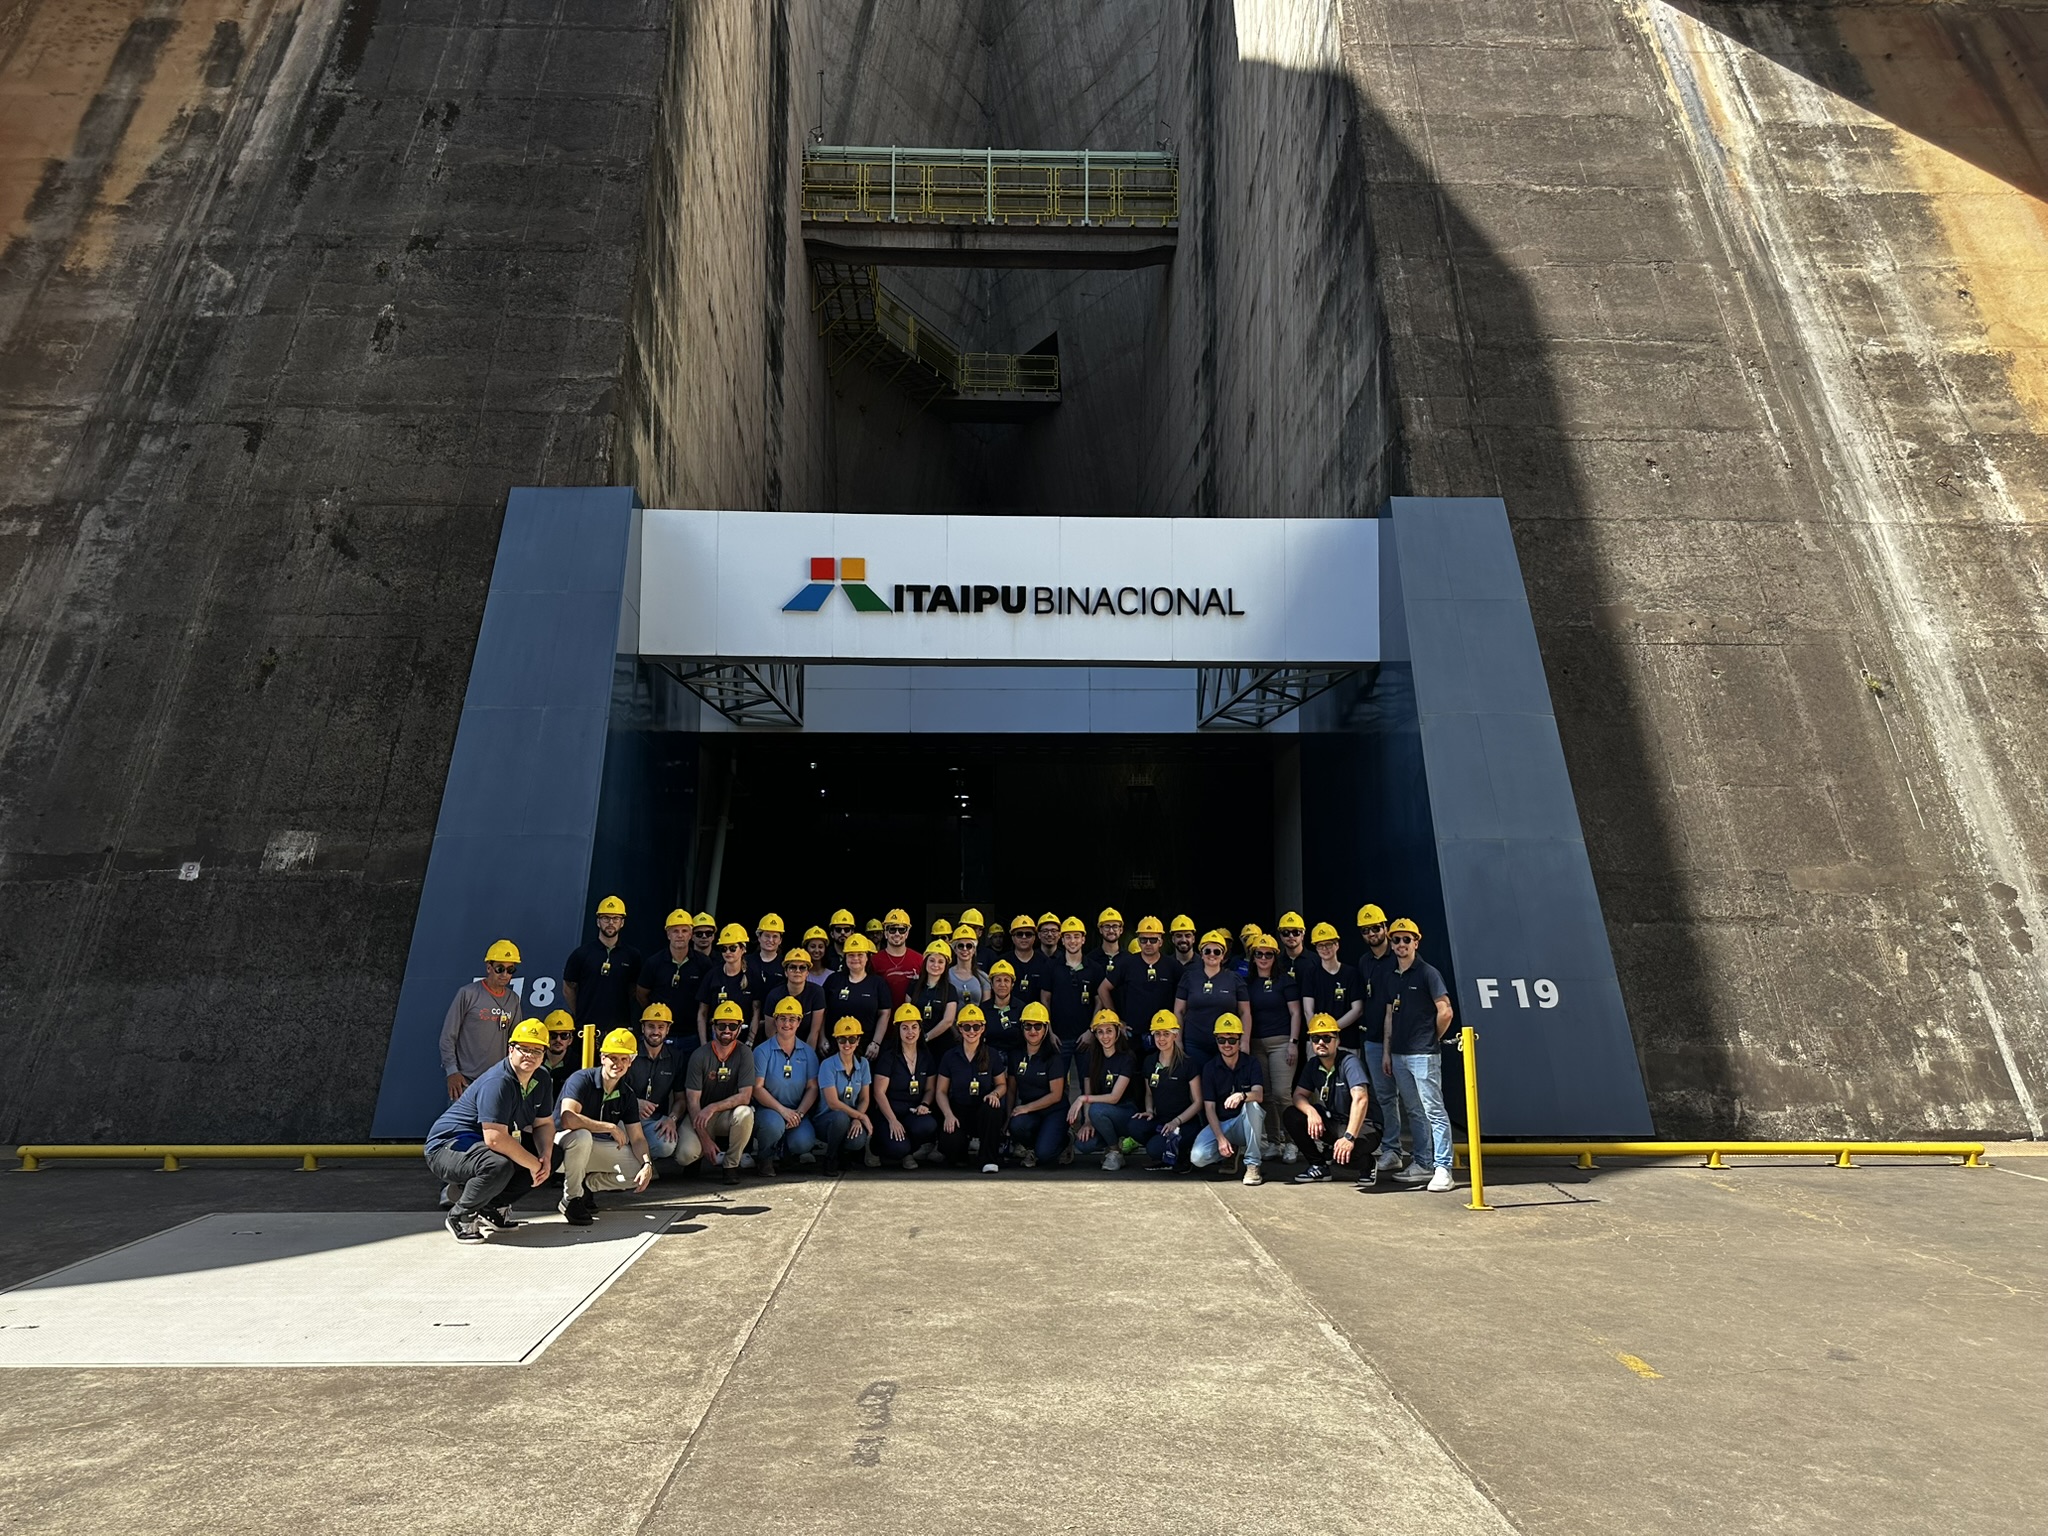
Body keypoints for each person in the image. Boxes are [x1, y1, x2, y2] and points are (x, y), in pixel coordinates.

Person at [425, 1018, 557, 1243]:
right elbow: (495, 1139)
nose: (530, 1055)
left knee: (556, 1153)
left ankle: (492, 1208)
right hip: (450, 1145)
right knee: (497, 1165)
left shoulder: (542, 1077)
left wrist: (545, 1156)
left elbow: (543, 1124)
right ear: (511, 1049)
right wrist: (534, 1164)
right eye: (524, 1049)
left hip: (486, 1143)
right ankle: (461, 1215)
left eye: (537, 1050)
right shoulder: (499, 1081)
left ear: (544, 1054)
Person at [1381, 917, 1456, 1192]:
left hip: (1423, 1055)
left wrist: (1431, 1037)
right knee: (1414, 1111)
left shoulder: (1428, 973)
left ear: (1416, 941)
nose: (1401, 944)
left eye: (1406, 939)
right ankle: (1423, 1164)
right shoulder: (1392, 976)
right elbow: (1390, 1015)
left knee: (1434, 1110)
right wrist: (1387, 1053)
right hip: (1399, 1055)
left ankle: (1443, 1168)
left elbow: (1445, 1011)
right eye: (1396, 939)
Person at [553, 1028, 654, 1224]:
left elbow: (638, 1138)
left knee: (637, 1169)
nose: (618, 1063)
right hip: (559, 1148)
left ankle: (587, 1186)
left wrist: (647, 1164)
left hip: (591, 1148)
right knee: (582, 1136)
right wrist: (609, 1127)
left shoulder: (627, 1094)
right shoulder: (581, 1079)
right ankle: (571, 1199)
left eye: (624, 1059)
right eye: (613, 1058)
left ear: (631, 1062)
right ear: (602, 1058)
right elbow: (568, 1119)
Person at [1286, 1013, 1380, 1185]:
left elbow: (1361, 1099)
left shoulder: (1350, 1062)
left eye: (1327, 1038)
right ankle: (1318, 1166)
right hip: (1336, 1121)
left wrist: (1349, 1138)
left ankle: (1367, 1164)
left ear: (1337, 1040)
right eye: (1316, 1038)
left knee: (1345, 1156)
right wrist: (1311, 1111)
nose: (1321, 1042)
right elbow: (1298, 1095)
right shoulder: (1313, 1064)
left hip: (1364, 1126)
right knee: (1292, 1115)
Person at [1353, 903, 1407, 1175]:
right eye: (1366, 930)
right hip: (1373, 1039)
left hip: (1404, 1039)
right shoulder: (1364, 962)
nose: (1372, 933)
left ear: (1385, 928)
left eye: (1376, 928)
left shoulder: (1398, 956)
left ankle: (1416, 1153)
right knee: (1384, 1096)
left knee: (1413, 1099)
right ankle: (1392, 1148)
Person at [680, 1000, 758, 1184]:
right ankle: (697, 1158)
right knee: (684, 1155)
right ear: (713, 1026)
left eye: (732, 1025)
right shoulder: (699, 1055)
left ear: (740, 1028)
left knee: (745, 1113)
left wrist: (714, 1107)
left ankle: (730, 1166)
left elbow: (745, 1096)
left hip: (725, 1115)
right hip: (699, 1115)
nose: (727, 1030)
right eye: (721, 1025)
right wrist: (705, 1140)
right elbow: (692, 1102)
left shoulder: (745, 1053)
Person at [439, 939, 526, 1101]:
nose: (505, 974)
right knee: (461, 1126)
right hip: (465, 1080)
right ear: (489, 968)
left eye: (510, 969)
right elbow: (448, 1036)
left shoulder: (513, 1000)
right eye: (500, 969)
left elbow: (516, 1041)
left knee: (492, 1127)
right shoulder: (468, 994)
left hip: (497, 1080)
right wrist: (452, 1072)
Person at [1245, 932, 1303, 1161]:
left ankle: (1292, 1142)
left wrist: (1293, 1043)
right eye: (1259, 953)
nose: (1263, 957)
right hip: (1256, 1044)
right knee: (1265, 1095)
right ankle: (1274, 1142)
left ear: (1275, 956)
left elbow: (1296, 1012)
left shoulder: (1285, 981)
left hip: (1281, 1043)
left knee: (1282, 1094)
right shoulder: (1247, 983)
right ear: (1253, 957)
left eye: (1268, 954)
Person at [1190, 1014, 1267, 1185]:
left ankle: (1253, 1165)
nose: (1226, 1044)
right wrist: (1220, 1139)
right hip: (1222, 1123)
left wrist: (1242, 1095)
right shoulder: (1210, 1068)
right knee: (1198, 1157)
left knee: (1252, 1105)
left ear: (1240, 1040)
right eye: (1221, 1040)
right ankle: (1230, 1153)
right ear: (1216, 1041)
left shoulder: (1251, 1063)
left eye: (1232, 1040)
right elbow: (1209, 1107)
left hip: (1243, 1123)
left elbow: (1259, 1094)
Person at [750, 996, 820, 1176]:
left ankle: (786, 1153)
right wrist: (782, 1111)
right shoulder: (762, 1051)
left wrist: (799, 1114)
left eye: (792, 1019)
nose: (787, 1023)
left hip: (796, 1110)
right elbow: (757, 1088)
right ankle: (765, 1158)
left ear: (799, 1022)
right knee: (773, 1126)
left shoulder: (808, 1052)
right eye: (782, 1018)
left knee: (804, 1142)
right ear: (775, 1020)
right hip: (770, 1110)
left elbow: (812, 1087)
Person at [935, 1003, 1007, 1174]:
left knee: (993, 1108)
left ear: (983, 1028)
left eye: (976, 1026)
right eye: (967, 1026)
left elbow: (1002, 1084)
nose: (972, 1031)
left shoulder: (992, 1054)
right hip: (958, 1111)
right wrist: (948, 1115)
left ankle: (988, 1159)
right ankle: (960, 1153)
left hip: (982, 1110)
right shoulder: (950, 1056)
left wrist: (995, 1094)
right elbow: (940, 1091)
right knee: (951, 1145)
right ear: (959, 1029)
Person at [1068, 1009, 1138, 1170]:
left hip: (1124, 1112)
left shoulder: (1127, 1057)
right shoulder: (1090, 1057)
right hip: (1100, 1114)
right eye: (1100, 1032)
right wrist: (1087, 1122)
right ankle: (1111, 1142)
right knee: (1083, 1144)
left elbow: (1114, 1097)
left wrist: (1083, 1099)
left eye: (1109, 1031)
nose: (1105, 1036)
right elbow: (1089, 1090)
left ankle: (1115, 1151)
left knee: (1097, 1110)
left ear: (1117, 1032)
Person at [1133, 1012, 1203, 1172]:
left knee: (1153, 1150)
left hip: (1184, 1123)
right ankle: (1165, 1151)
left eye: (1166, 1034)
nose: (1161, 1039)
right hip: (1161, 1121)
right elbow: (1149, 1093)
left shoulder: (1187, 1063)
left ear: (1175, 1035)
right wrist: (1149, 1110)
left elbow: (1198, 1102)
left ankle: (1181, 1154)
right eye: (1157, 1034)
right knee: (1135, 1126)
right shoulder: (1150, 1061)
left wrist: (1176, 1122)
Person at [562, 896, 643, 1032]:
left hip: (620, 1030)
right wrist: (581, 1013)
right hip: (587, 1029)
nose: (610, 922)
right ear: (598, 922)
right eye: (606, 918)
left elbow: (636, 991)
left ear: (622, 923)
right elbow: (568, 988)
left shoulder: (632, 956)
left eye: (615, 918)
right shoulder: (581, 954)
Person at [624, 1002, 689, 1171]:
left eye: (661, 1027)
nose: (655, 1031)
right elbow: (611, 1090)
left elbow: (681, 1099)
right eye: (651, 1026)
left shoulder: (676, 1057)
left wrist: (672, 1119)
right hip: (622, 1119)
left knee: (666, 1144)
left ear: (667, 1030)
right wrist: (634, 1103)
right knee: (613, 1139)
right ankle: (636, 1167)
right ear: (643, 1028)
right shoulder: (629, 1052)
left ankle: (638, 1166)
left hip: (652, 1121)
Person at [873, 1002, 939, 1168]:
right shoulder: (889, 1056)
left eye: (914, 1027)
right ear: (898, 1030)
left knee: (928, 1125)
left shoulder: (926, 1055)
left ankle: (907, 1151)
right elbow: (879, 1092)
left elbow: (930, 1088)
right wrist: (893, 1120)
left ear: (920, 1029)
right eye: (905, 1028)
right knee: (896, 1149)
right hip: (889, 1112)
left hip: (912, 1112)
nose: (910, 1032)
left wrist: (924, 1104)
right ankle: (875, 1147)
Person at [1174, 929, 1252, 1066]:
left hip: (1226, 1043)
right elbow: (1179, 1011)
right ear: (1201, 954)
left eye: (1217, 952)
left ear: (1223, 956)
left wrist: (1244, 1041)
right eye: (1207, 951)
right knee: (1196, 1084)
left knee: (1224, 1085)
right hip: (1194, 1043)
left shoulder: (1235, 979)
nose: (1212, 955)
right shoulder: (1189, 978)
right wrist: (1178, 1042)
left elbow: (1244, 1012)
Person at [1005, 1001, 1067, 1168]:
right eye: (1028, 1026)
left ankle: (1066, 1141)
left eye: (1038, 1026)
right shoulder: (1015, 1055)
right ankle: (1031, 1148)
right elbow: (1011, 1089)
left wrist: (1026, 1108)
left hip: (1053, 1110)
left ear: (1046, 1029)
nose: (1033, 1031)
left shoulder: (1053, 1057)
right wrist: (1008, 1116)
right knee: (1017, 1124)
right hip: (1031, 1113)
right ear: (1022, 1027)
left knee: (1046, 1156)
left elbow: (1056, 1095)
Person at [1041, 915, 1106, 1074]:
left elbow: (1099, 1001)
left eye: (1076, 936)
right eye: (1068, 937)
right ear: (1062, 940)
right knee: (1057, 1085)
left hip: (1085, 1037)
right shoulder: (1051, 966)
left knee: (1089, 1082)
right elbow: (1045, 999)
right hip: (1058, 1038)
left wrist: (1092, 1031)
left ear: (1083, 939)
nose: (1072, 941)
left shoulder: (1094, 968)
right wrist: (1049, 1032)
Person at [815, 1016, 876, 1172]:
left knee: (858, 1140)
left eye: (852, 1039)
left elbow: (864, 1099)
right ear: (836, 1040)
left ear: (858, 1040)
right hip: (827, 1119)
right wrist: (861, 1116)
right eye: (842, 1039)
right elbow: (833, 1103)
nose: (847, 1044)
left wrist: (857, 1117)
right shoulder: (827, 1065)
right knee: (840, 1117)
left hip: (851, 1117)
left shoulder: (863, 1064)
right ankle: (831, 1157)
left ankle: (845, 1154)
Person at [1098, 915, 1177, 1031]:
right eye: (1144, 940)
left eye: (1153, 940)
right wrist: (1116, 1020)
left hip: (1163, 1034)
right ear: (1138, 942)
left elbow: (1185, 998)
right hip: (1133, 1034)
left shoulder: (1172, 966)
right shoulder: (1126, 963)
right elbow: (1103, 989)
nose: (1148, 943)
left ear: (1161, 942)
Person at [637, 909, 712, 1024]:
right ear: (668, 934)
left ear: (690, 935)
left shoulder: (704, 963)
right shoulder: (653, 962)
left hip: (692, 1033)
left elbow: (708, 998)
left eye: (684, 931)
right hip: (661, 1032)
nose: (680, 935)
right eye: (675, 931)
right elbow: (641, 995)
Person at [1302, 921, 1366, 1055]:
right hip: (1318, 1042)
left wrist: (1331, 1030)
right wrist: (1321, 1034)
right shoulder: (1310, 974)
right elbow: (1308, 1011)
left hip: (1347, 1042)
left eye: (1329, 944)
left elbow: (1357, 1009)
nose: (1325, 949)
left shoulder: (1351, 973)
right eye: (1320, 945)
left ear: (1337, 945)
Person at [827, 932, 894, 1056]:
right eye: (851, 955)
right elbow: (822, 1012)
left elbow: (885, 1014)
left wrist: (876, 1043)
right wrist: (821, 1039)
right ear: (845, 957)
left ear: (867, 957)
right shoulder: (833, 980)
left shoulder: (878, 983)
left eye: (860, 955)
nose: (855, 958)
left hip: (868, 1048)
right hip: (836, 1046)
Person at [696, 923, 758, 1044]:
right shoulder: (712, 975)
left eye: (732, 948)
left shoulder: (752, 976)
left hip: (743, 1040)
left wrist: (750, 1042)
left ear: (743, 949)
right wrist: (704, 1044)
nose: (728, 952)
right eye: (724, 949)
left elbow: (756, 1012)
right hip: (716, 1039)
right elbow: (702, 1013)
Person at [764, 948, 827, 1050]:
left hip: (806, 1045)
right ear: (786, 972)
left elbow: (814, 1032)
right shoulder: (774, 995)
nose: (797, 971)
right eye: (793, 967)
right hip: (778, 1048)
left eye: (802, 968)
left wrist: (807, 1057)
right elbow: (770, 1033)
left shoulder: (817, 992)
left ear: (807, 972)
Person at [906, 940, 961, 1054]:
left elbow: (948, 1021)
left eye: (941, 962)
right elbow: (907, 1015)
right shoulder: (913, 986)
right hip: (915, 1045)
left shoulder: (950, 990)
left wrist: (926, 1037)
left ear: (946, 965)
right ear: (925, 962)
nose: (935, 965)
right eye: (932, 960)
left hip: (942, 1046)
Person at [873, 909, 923, 1005]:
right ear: (885, 933)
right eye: (892, 929)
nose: (897, 934)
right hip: (882, 1017)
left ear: (907, 933)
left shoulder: (919, 960)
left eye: (901, 930)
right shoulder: (874, 961)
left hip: (910, 1018)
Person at [983, 960, 1026, 1056]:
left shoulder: (1022, 1008)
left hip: (1015, 1059)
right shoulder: (983, 1009)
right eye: (998, 980)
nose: (1002, 984)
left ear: (1012, 985)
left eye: (1006, 980)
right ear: (992, 984)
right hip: (989, 1059)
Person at [948, 925, 990, 1005]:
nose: (965, 949)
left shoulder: (983, 977)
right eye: (960, 946)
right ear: (955, 949)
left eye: (969, 946)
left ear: (974, 950)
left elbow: (986, 1007)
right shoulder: (946, 975)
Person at [748, 913, 787, 997]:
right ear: (759, 937)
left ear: (780, 940)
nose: (770, 940)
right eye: (767, 936)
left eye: (775, 936)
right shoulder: (746, 961)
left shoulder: (786, 964)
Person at [539, 1008, 579, 1091]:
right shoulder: (534, 1060)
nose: (558, 1040)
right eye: (553, 1035)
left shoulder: (578, 1065)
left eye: (564, 1035)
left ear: (570, 1039)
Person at [1274, 911, 1310, 991]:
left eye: (1295, 932)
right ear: (1280, 936)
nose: (1291, 936)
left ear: (1303, 934)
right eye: (1285, 932)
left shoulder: (1316, 961)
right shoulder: (1276, 962)